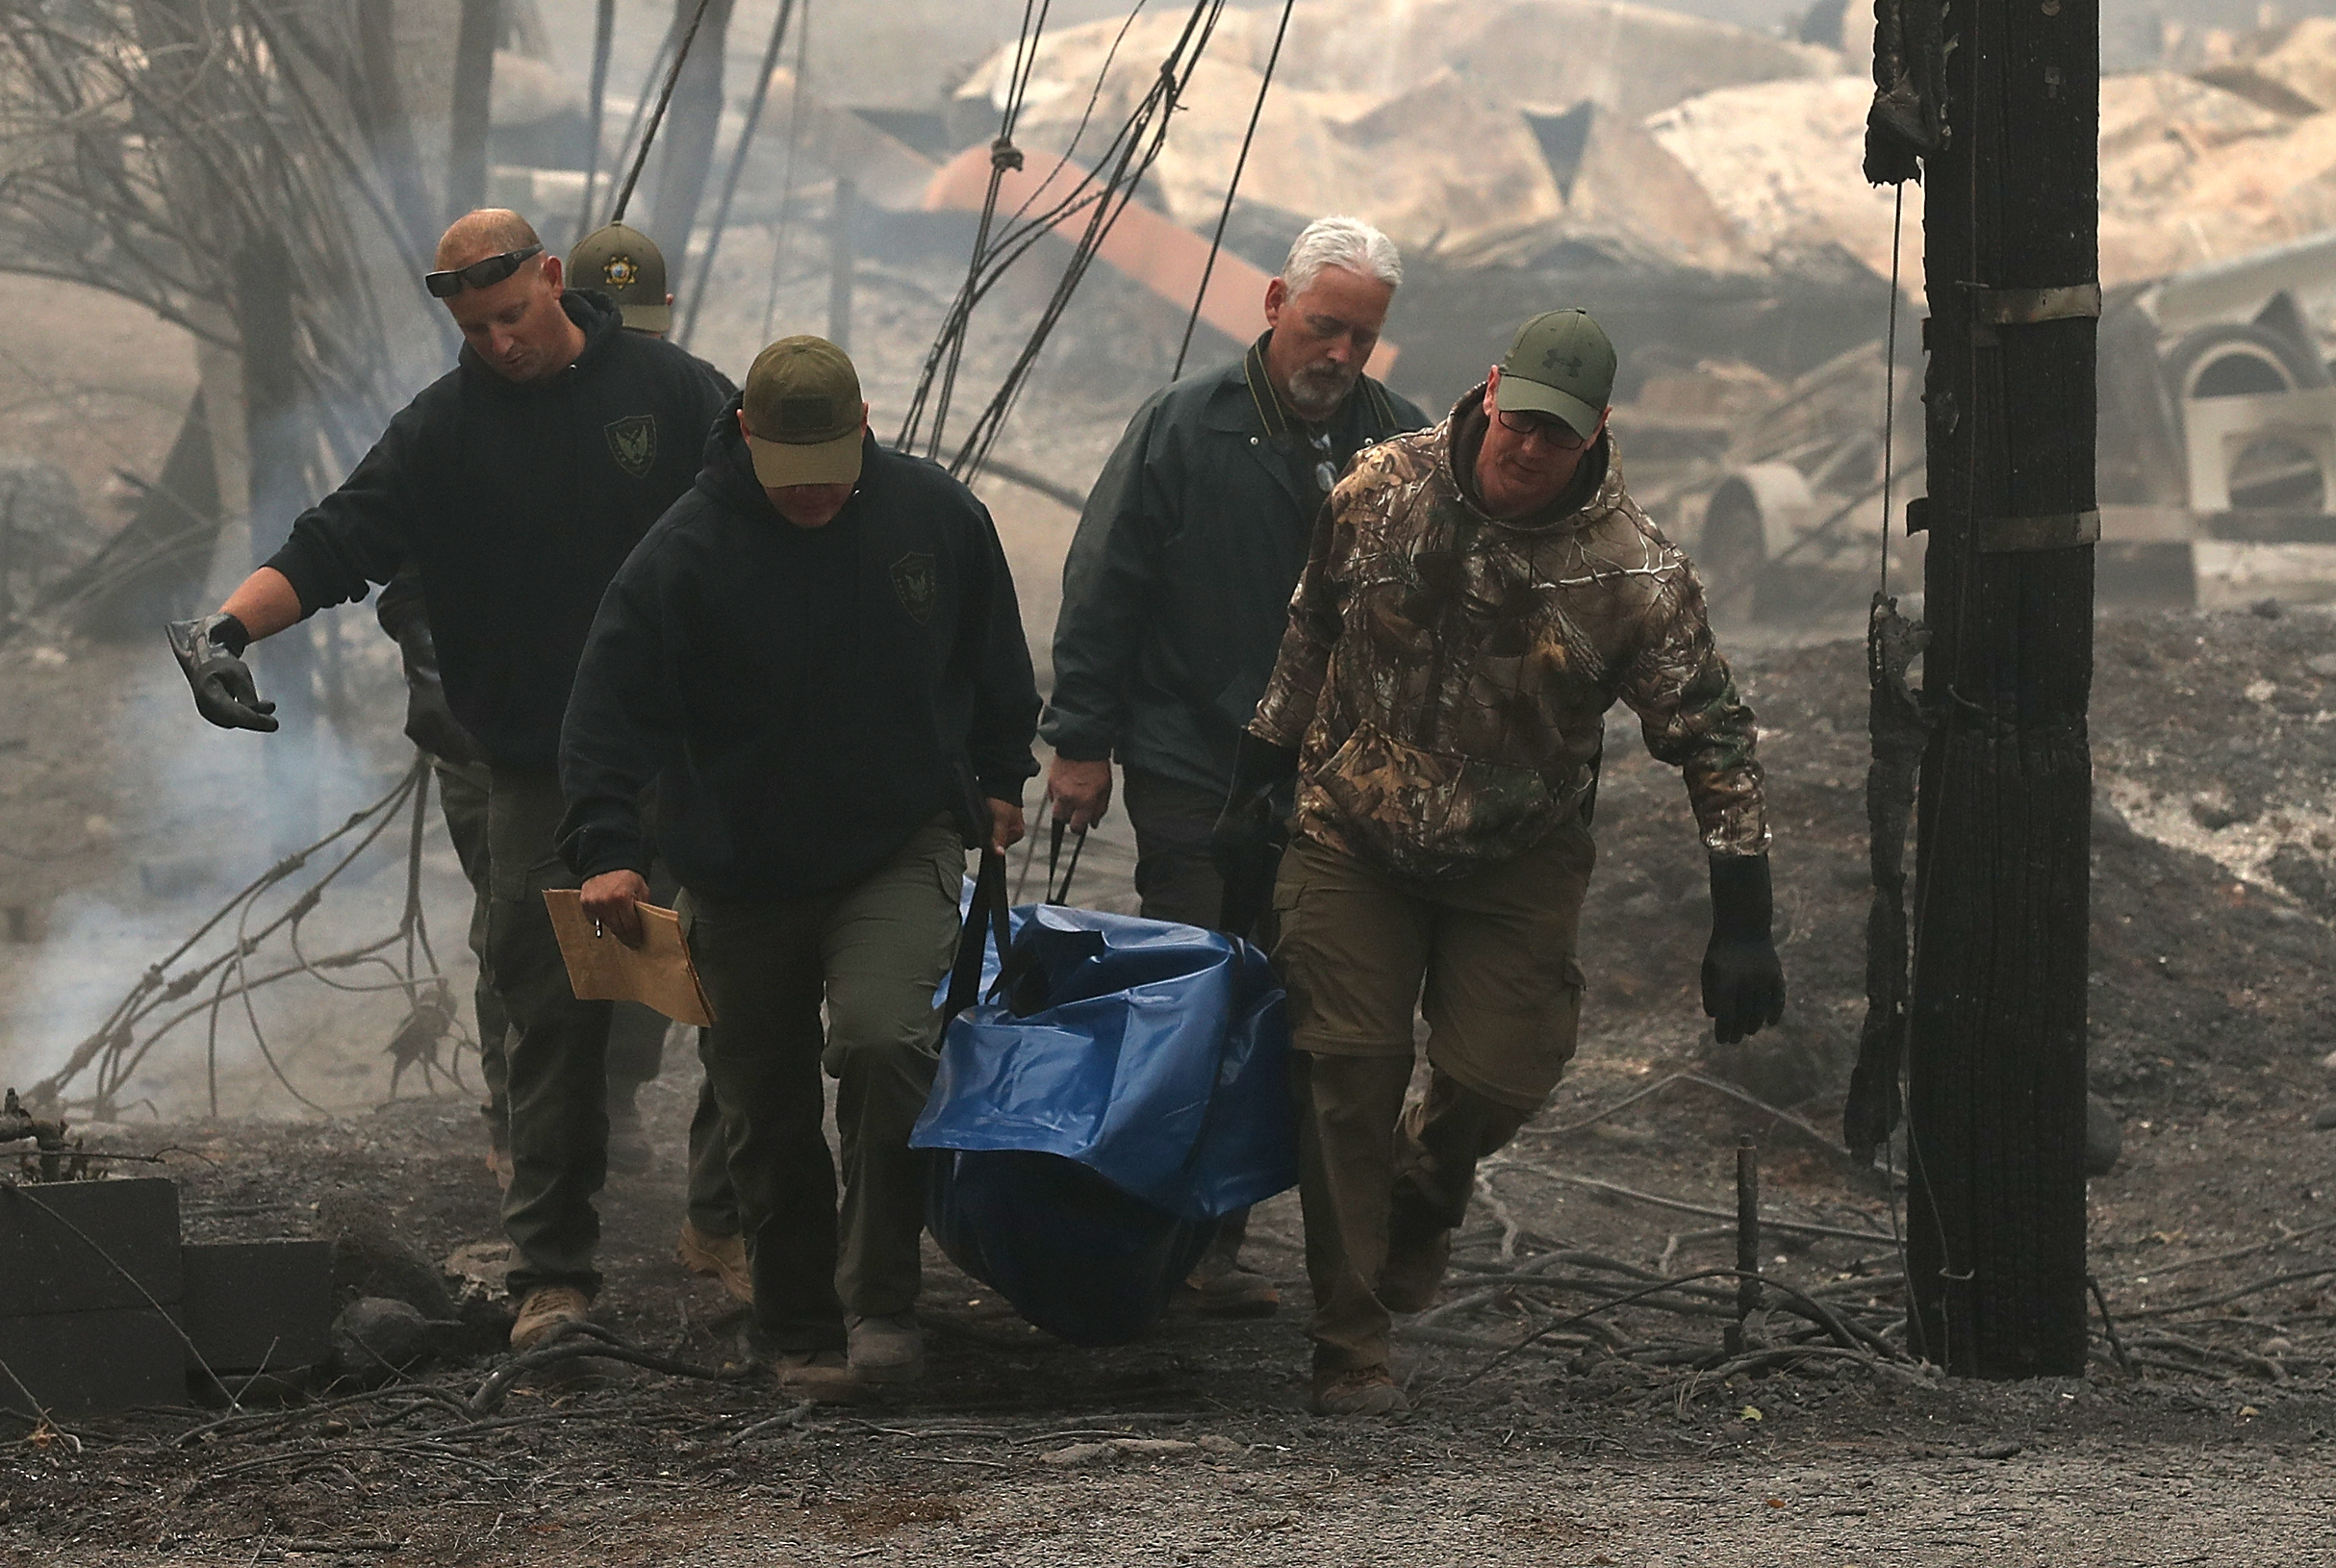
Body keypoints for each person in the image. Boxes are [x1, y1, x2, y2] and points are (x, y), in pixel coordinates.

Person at [165, 209, 736, 1351]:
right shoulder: (442, 430)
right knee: (544, 1007)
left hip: (702, 745)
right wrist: (224, 629)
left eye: (514, 314)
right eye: (476, 327)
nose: (500, 343)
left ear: (553, 280)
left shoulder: (672, 394)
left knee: (743, 983)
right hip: (543, 763)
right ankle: (554, 1272)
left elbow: (777, 514)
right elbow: (333, 543)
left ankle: (733, 1226)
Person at [1215, 308, 1787, 1416]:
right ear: (1489, 391)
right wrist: (1259, 771)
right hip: (1352, 829)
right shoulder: (1382, 489)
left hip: (1514, 848)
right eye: (1519, 423)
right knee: (1347, 1070)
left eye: (1557, 437)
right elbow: (1311, 625)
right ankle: (1350, 1342)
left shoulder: (1633, 571)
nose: (1529, 449)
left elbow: (1712, 735)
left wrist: (1744, 911)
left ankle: (1426, 1194)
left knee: (1498, 1072)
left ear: (1597, 433)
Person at [557, 335, 1041, 1400]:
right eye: (789, 474)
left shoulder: (935, 515)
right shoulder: (684, 551)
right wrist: (606, 850)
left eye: (830, 467)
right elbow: (606, 710)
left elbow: (996, 658)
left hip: (894, 837)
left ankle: (882, 1302)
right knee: (763, 1103)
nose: (813, 492)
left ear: (864, 425)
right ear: (745, 436)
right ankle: (797, 1321)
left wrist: (1003, 775)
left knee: (882, 1041)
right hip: (739, 862)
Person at [1038, 215, 1426, 1314]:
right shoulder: (1183, 427)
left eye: (1361, 336)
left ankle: (1220, 1236)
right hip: (1190, 756)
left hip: (1332, 782)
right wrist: (1078, 740)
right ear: (1272, 305)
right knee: (1192, 988)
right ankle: (1150, 1222)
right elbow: (1105, 585)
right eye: (1323, 325)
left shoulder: (1396, 444)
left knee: (1291, 1001)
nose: (1339, 354)